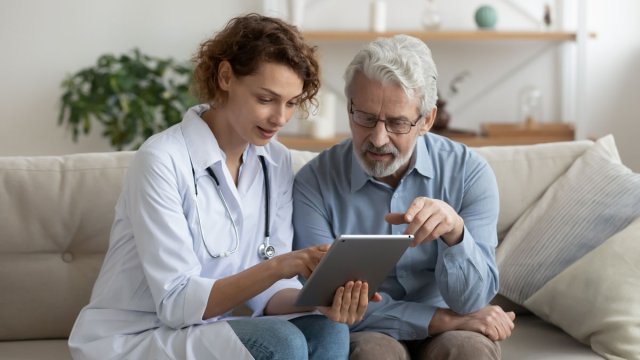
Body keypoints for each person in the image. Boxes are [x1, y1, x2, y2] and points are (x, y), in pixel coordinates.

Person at [69, 13, 373, 360]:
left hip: (207, 331)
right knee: (281, 342)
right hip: (139, 335)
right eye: (266, 99)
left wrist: (322, 301)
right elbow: (176, 303)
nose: (280, 118)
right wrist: (281, 265)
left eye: (291, 103)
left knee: (328, 330)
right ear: (226, 76)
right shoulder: (161, 160)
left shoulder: (277, 162)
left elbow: (268, 296)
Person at [292, 35, 516, 359]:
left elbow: (472, 301)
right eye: (365, 118)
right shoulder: (313, 182)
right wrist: (440, 320)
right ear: (349, 107)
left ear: (426, 120)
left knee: (470, 352)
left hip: (455, 328)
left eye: (397, 123)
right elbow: (323, 302)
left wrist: (455, 233)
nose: (378, 138)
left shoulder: (468, 173)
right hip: (369, 330)